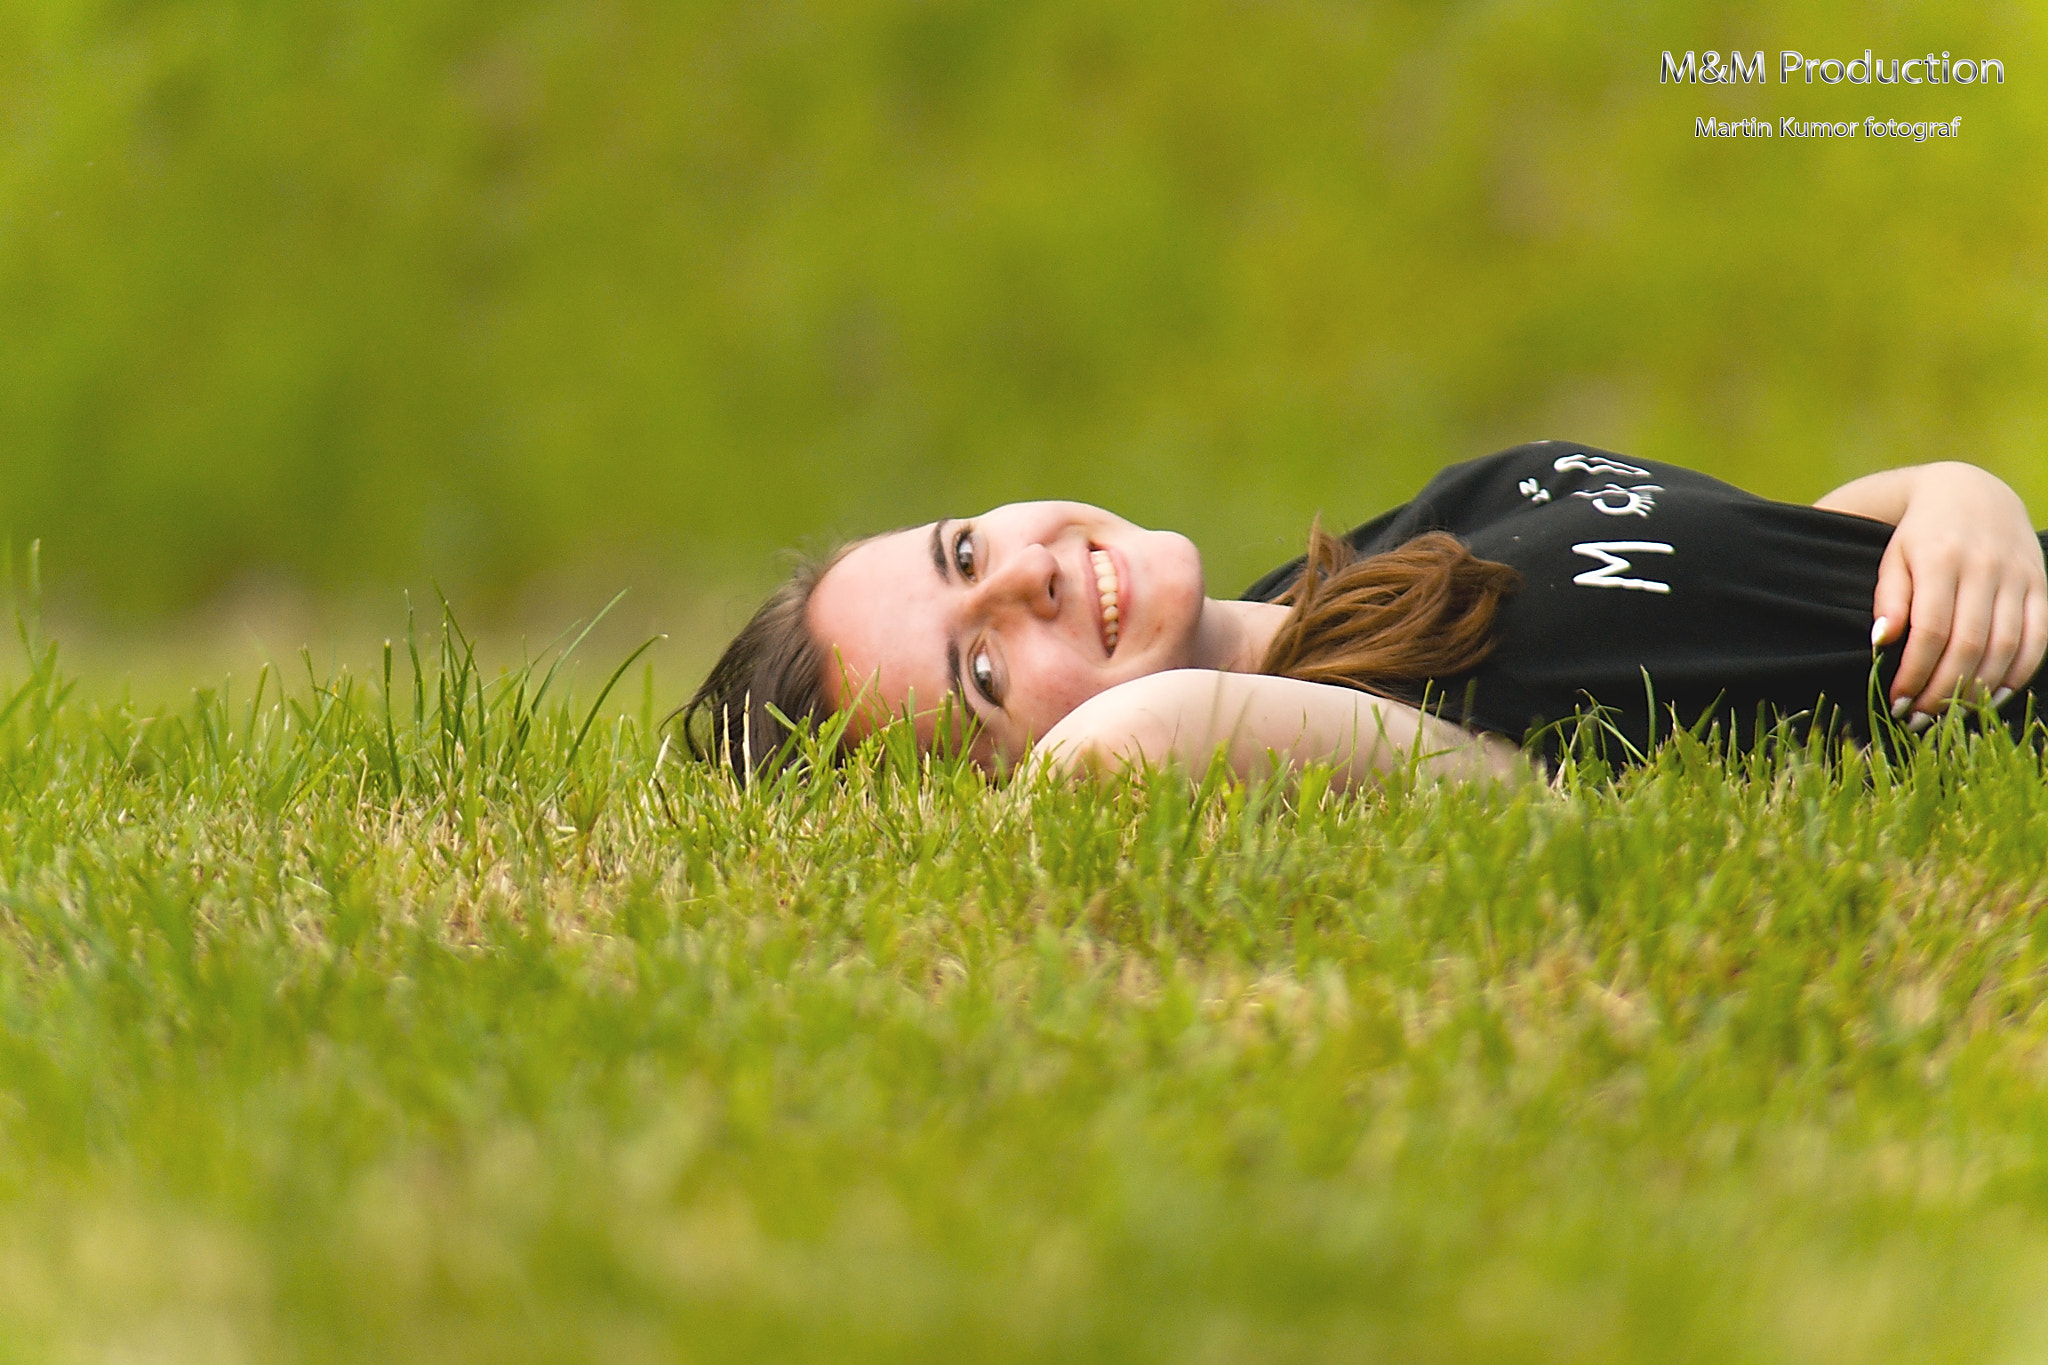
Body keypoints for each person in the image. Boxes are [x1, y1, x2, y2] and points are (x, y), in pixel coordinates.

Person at [681, 441, 2048, 788]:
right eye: (983, 667)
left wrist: (1952, 494)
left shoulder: (1390, 551)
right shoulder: (1360, 739)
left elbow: (1767, 568)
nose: (1022, 572)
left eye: (962, 546)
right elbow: (1123, 752)